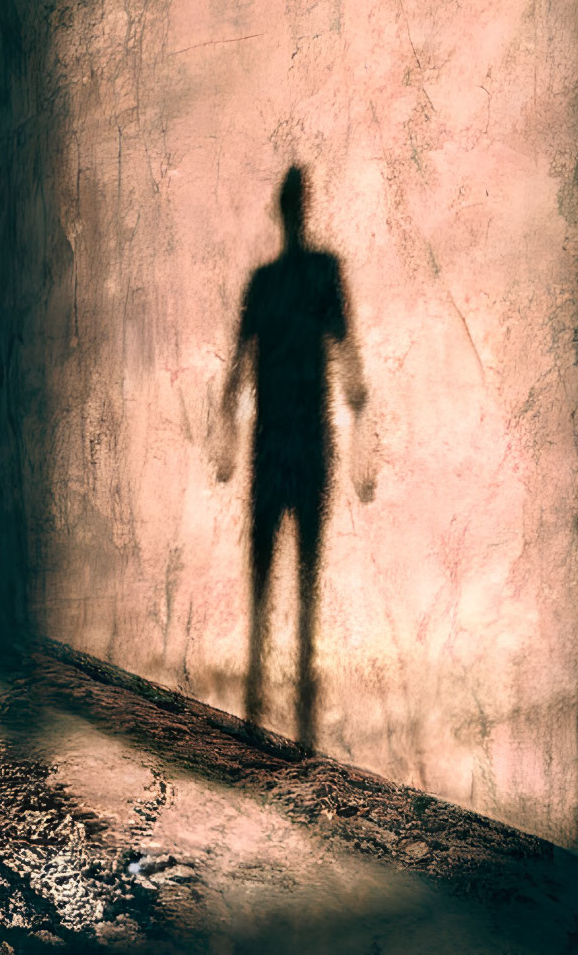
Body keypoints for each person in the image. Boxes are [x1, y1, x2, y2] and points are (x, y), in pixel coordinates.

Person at [214, 165, 373, 748]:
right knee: (292, 567)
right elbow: (348, 364)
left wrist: (228, 443)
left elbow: (239, 371)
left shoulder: (277, 281)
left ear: (285, 211)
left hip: (288, 438)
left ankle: (268, 701)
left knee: (284, 567)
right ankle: (283, 704)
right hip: (297, 438)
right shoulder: (313, 276)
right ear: (298, 209)